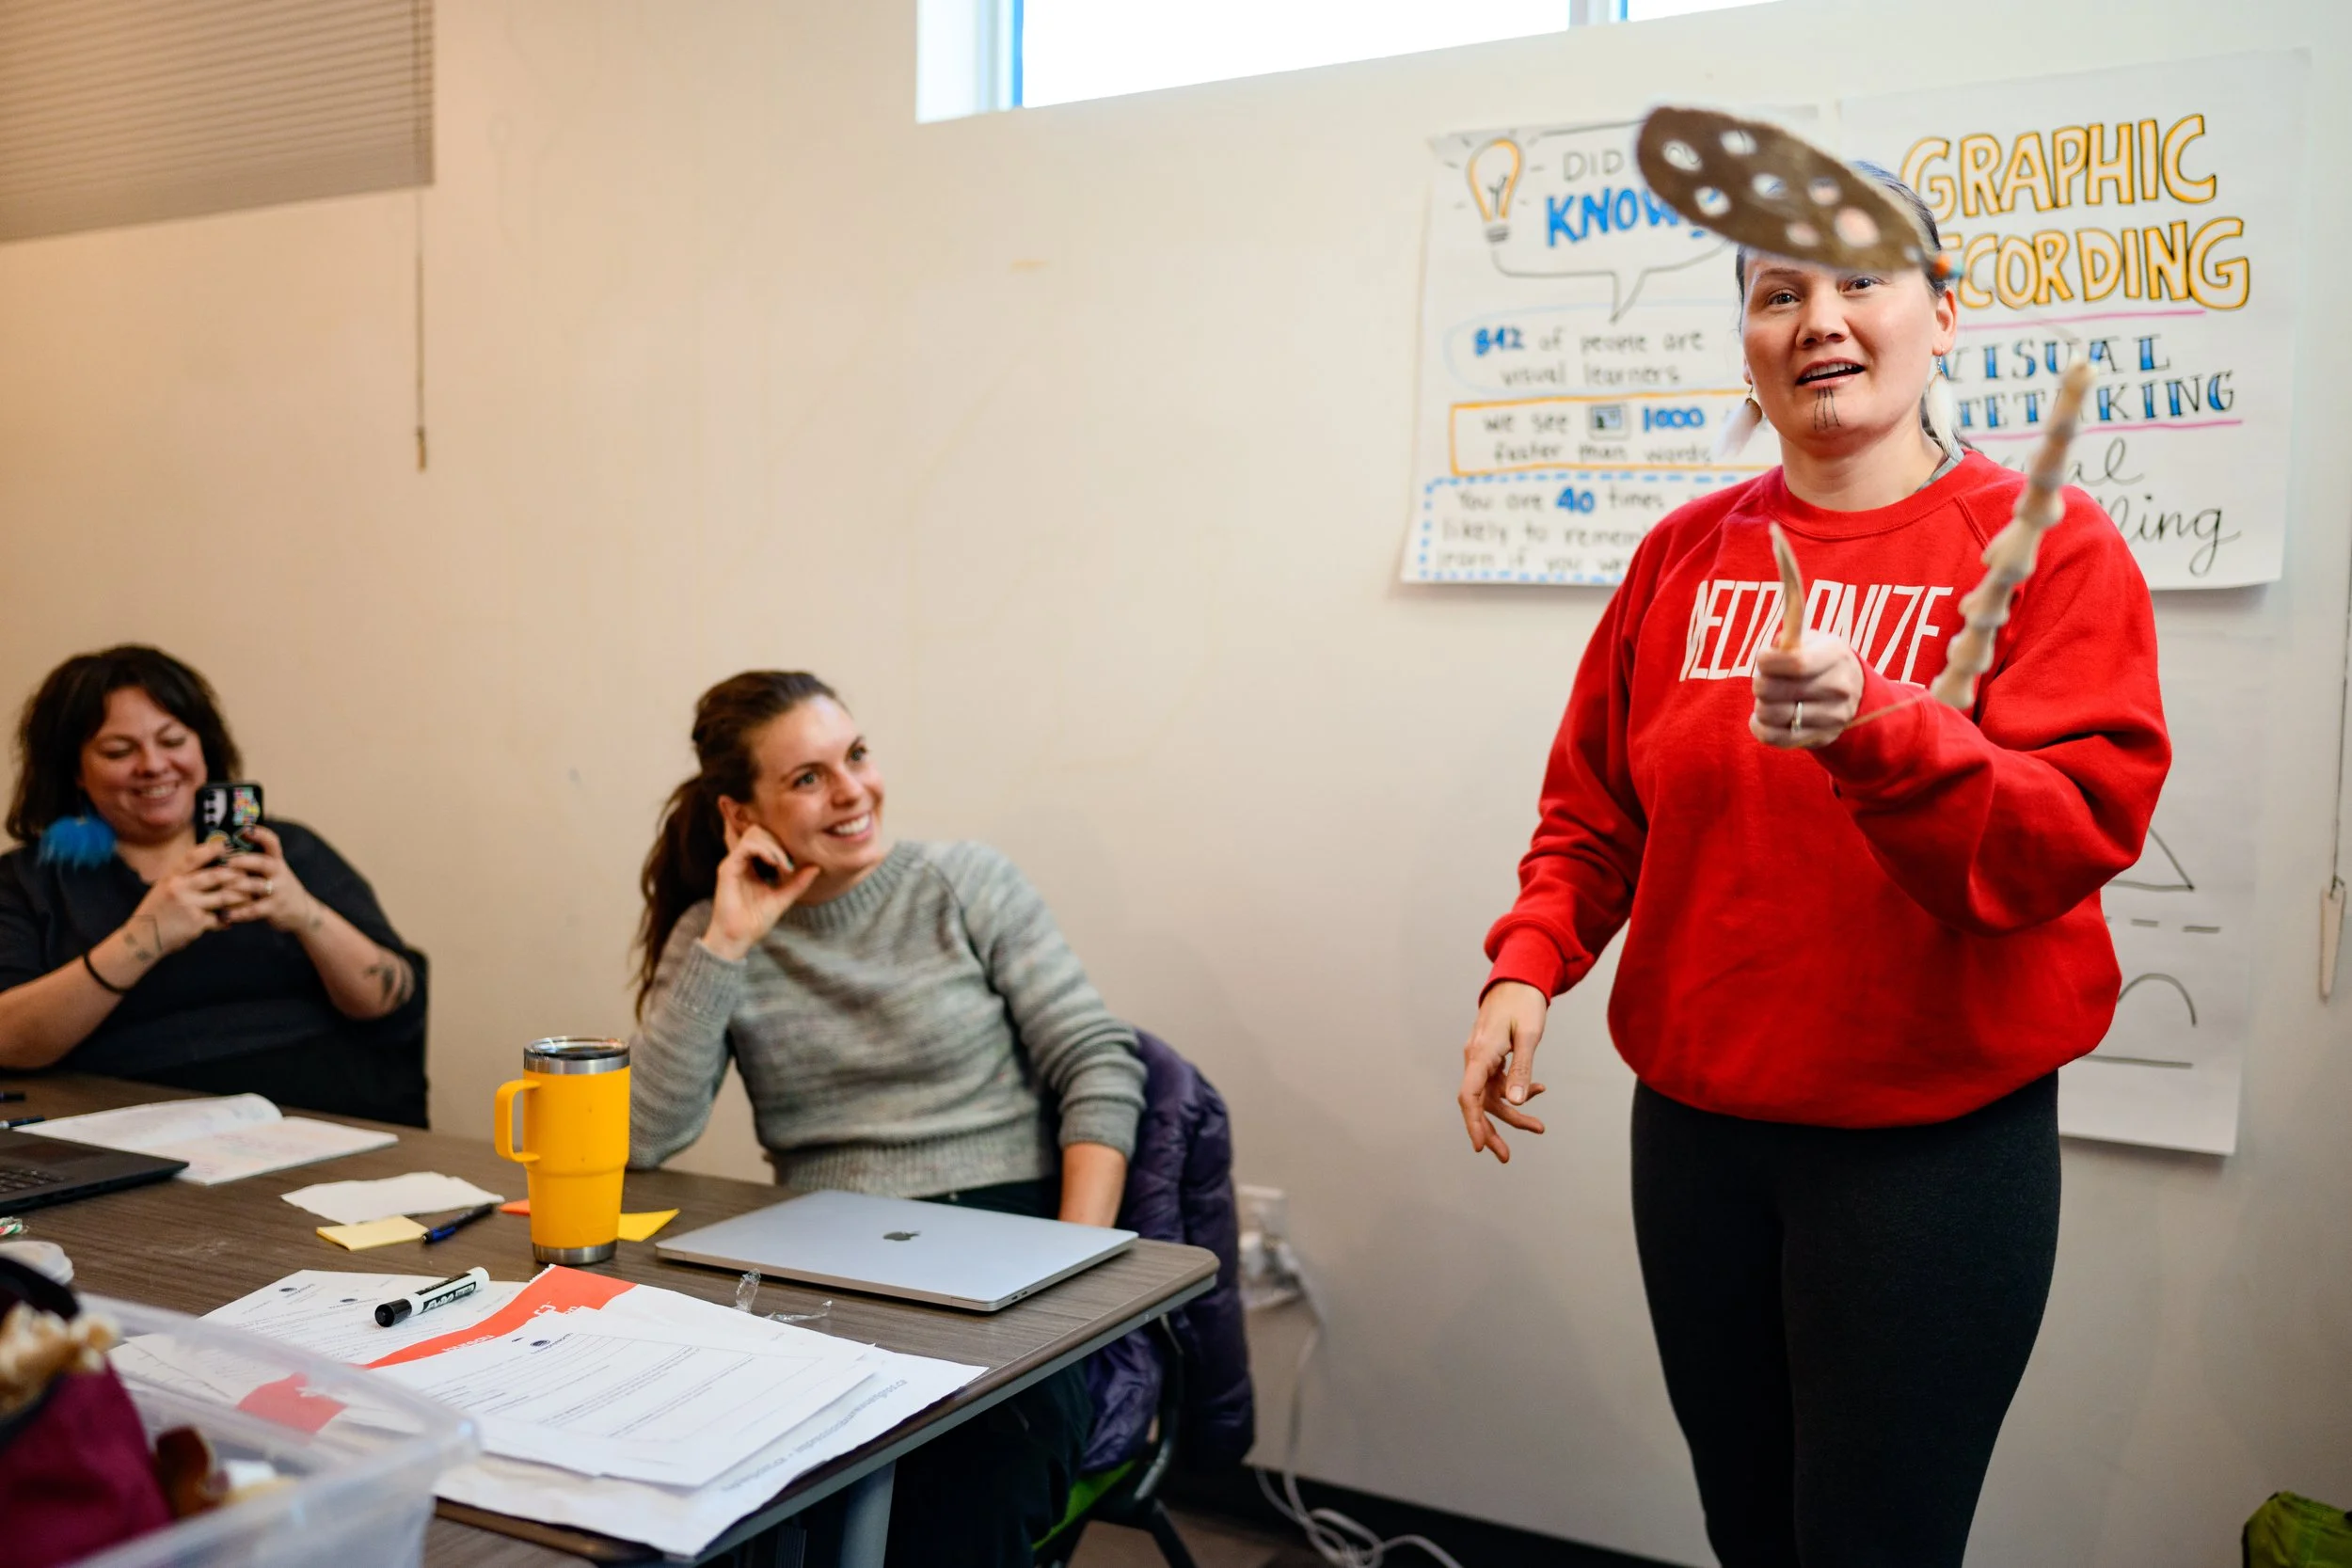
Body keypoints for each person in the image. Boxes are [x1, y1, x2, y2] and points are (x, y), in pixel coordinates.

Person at [1456, 173, 2169, 1568]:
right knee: (1750, 1526)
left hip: (1930, 1152)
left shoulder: (2047, 550)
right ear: (1745, 338)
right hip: (1702, 1134)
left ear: (1943, 316)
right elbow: (1596, 808)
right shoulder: (1680, 555)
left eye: (1859, 283)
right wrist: (1527, 964)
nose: (1818, 319)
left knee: (1873, 1544)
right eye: (1778, 292)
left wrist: (1879, 728)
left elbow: (2067, 833)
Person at [629, 670, 1146, 1568]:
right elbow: (645, 1136)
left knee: (968, 1481)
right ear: (740, 814)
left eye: (856, 756)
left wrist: (1073, 1268)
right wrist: (728, 943)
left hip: (1006, 1224)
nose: (852, 792)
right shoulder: (717, 933)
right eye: (806, 778)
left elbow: (1097, 1060)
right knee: (712, 1461)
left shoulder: (964, 883)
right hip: (821, 1249)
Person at [0, 646, 428, 1126]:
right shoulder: (31, 881)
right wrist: (146, 936)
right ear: (76, 770)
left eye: (173, 740)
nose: (154, 765)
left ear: (203, 745)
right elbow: (10, 1042)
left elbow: (397, 1007)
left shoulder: (285, 850)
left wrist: (304, 913)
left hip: (331, 1117)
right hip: (136, 1129)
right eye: (119, 751)